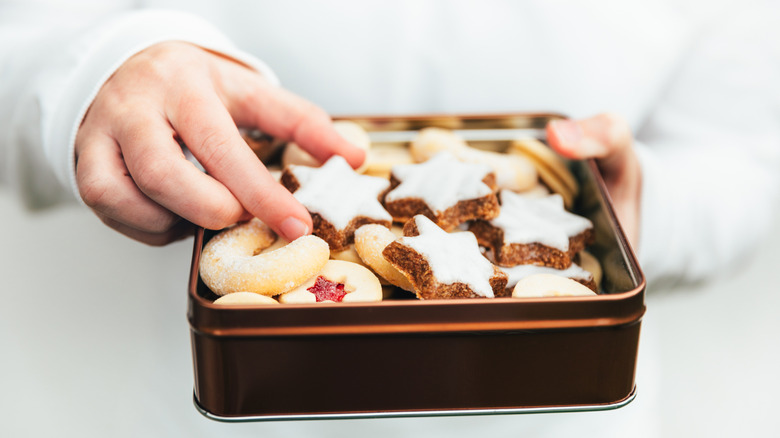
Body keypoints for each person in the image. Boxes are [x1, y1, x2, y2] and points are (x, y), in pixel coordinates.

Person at [1, 1, 779, 436]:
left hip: (555, 401)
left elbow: (745, 161)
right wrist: (103, 75)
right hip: (228, 399)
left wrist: (633, 207)